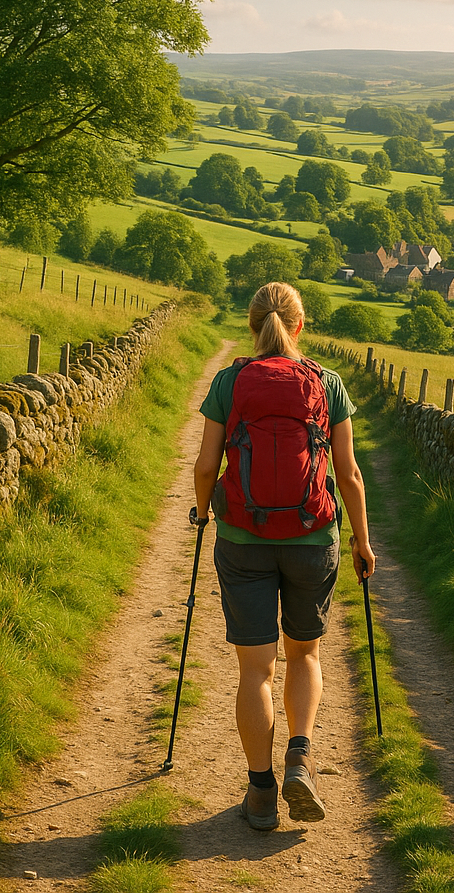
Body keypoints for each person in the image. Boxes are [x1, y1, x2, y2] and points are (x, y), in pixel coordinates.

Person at [193, 281, 375, 831]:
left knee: (256, 669)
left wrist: (203, 514)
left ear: (253, 327)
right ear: (300, 327)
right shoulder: (327, 383)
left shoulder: (229, 382)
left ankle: (261, 792)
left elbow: (205, 466)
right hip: (311, 537)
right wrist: (362, 541)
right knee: (304, 655)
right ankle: (300, 757)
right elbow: (348, 473)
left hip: (243, 540)